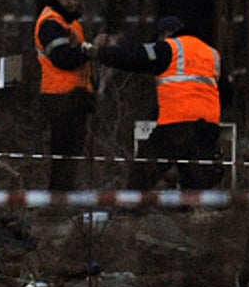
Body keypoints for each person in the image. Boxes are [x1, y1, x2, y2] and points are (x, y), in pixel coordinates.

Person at [88, 16, 224, 190]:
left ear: (165, 34)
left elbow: (133, 57)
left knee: (142, 173)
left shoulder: (168, 48)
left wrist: (99, 53)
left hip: (177, 124)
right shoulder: (212, 54)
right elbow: (226, 91)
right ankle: (195, 213)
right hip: (208, 126)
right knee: (194, 182)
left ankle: (132, 211)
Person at [33, 0, 95, 191]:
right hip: (60, 97)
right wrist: (87, 51)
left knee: (71, 151)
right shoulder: (51, 23)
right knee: (64, 152)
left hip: (72, 96)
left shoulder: (69, 23)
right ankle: (59, 198)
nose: (73, 3)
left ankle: (64, 195)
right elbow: (62, 58)